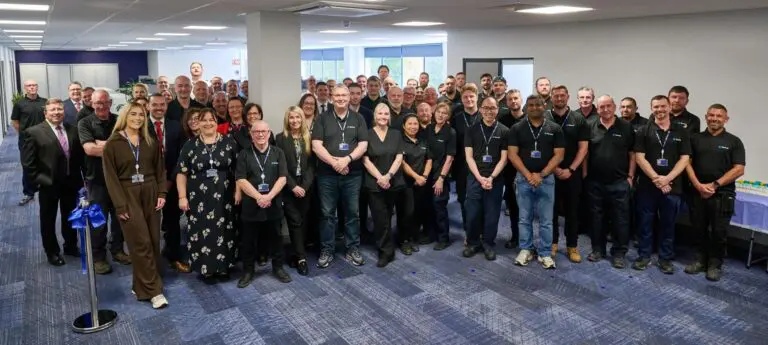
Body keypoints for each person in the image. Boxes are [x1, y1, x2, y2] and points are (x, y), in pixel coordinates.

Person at [102, 101, 168, 309]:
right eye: (133, 114)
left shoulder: (149, 141)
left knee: (154, 241)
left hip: (150, 191)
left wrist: (162, 192)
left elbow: (160, 169)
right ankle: (154, 291)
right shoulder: (112, 144)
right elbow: (111, 179)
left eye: (141, 115)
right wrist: (120, 206)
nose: (138, 118)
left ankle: (140, 285)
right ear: (125, 116)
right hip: (127, 193)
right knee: (141, 243)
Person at [684, 104, 745, 281]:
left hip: (722, 195)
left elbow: (739, 169)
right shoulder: (695, 139)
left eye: (719, 116)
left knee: (719, 232)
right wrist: (698, 185)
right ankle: (700, 261)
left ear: (726, 119)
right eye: (711, 115)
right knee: (698, 229)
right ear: (706, 117)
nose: (714, 119)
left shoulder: (734, 141)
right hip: (697, 192)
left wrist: (714, 185)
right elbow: (686, 163)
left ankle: (715, 265)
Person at [177, 109, 238, 283]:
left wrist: (238, 191)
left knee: (225, 230)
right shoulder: (190, 145)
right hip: (199, 198)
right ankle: (207, 269)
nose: (208, 123)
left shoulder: (229, 142)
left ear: (216, 122)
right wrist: (182, 197)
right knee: (202, 231)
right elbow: (181, 173)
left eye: (212, 120)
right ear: (198, 123)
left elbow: (238, 170)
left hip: (225, 197)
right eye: (204, 120)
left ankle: (224, 267)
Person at [311, 85, 369, 268]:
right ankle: (327, 249)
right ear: (332, 97)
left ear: (349, 97)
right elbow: (316, 145)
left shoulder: (358, 118)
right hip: (327, 175)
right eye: (337, 95)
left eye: (344, 95)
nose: (341, 98)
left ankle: (353, 248)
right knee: (327, 214)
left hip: (352, 174)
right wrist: (334, 163)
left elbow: (363, 145)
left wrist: (347, 160)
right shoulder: (322, 118)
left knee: (352, 213)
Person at [22, 98, 84, 267]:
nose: (56, 112)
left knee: (70, 216)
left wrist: (82, 179)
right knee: (48, 219)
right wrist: (38, 182)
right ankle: (52, 252)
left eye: (59, 109)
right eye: (53, 110)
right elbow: (28, 163)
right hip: (48, 184)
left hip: (70, 182)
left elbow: (79, 158)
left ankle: (70, 245)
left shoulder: (73, 130)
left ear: (64, 111)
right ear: (45, 113)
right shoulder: (33, 132)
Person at [633, 95, 691, 274]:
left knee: (668, 224)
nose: (660, 110)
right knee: (645, 223)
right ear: (652, 109)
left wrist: (667, 179)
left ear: (669, 107)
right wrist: (657, 179)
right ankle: (644, 256)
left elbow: (685, 159)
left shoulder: (681, 132)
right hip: (648, 186)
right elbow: (639, 157)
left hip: (672, 186)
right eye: (656, 107)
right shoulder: (643, 130)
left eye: (663, 106)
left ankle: (665, 259)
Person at [508, 95, 565, 269]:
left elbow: (559, 155)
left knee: (546, 220)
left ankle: (545, 253)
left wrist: (541, 175)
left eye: (538, 105)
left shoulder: (554, 128)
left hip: (546, 180)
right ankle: (526, 249)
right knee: (524, 218)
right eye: (531, 105)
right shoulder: (517, 128)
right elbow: (512, 154)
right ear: (526, 107)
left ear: (544, 106)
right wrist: (528, 175)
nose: (534, 107)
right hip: (523, 179)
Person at [79, 90, 131, 273]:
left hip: (120, 179)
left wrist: (102, 144)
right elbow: (90, 150)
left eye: (104, 102)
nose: (101, 106)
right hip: (97, 180)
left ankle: (117, 250)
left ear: (110, 103)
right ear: (92, 104)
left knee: (120, 218)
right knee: (98, 221)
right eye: (97, 103)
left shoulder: (119, 120)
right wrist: (115, 147)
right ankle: (98, 257)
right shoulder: (84, 123)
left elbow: (129, 147)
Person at [236, 120, 292, 287]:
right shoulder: (244, 154)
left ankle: (278, 268)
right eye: (256, 132)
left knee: (276, 238)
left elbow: (283, 178)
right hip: (251, 205)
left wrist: (269, 197)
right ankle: (248, 271)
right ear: (251, 135)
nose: (260, 134)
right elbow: (241, 180)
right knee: (248, 241)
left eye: (263, 131)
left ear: (269, 133)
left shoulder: (278, 152)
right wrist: (259, 197)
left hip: (273, 204)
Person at [585, 95, 635, 266]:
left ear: (614, 107)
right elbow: (585, 153)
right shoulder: (590, 125)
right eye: (601, 107)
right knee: (596, 219)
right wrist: (585, 175)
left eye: (608, 106)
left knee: (621, 219)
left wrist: (630, 176)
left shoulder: (626, 127)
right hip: (595, 182)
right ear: (597, 108)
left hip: (619, 182)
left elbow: (632, 154)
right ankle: (598, 250)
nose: (605, 109)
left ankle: (619, 253)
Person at [463, 97, 510, 261]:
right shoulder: (471, 130)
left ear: (497, 109)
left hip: (495, 180)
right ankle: (473, 243)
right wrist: (480, 178)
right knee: (473, 213)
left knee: (492, 214)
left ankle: (489, 244)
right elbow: (469, 157)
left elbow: (504, 159)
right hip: (475, 178)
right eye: (486, 108)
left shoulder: (504, 131)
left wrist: (490, 178)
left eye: (493, 108)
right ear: (481, 109)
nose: (489, 111)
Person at [147, 93, 189, 273]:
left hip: (171, 182)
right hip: (147, 183)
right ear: (148, 106)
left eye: (162, 105)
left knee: (172, 222)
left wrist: (170, 180)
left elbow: (181, 156)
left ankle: (174, 257)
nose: (159, 108)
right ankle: (150, 261)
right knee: (148, 223)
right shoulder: (141, 126)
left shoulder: (175, 126)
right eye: (155, 105)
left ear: (166, 106)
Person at [546, 86, 589, 262]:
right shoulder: (544, 117)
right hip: (550, 172)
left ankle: (572, 246)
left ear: (568, 97)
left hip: (572, 173)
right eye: (556, 95)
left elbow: (583, 148)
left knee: (572, 212)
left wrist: (570, 169)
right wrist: (554, 168)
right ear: (551, 97)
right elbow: (541, 146)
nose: (559, 98)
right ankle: (553, 243)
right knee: (551, 211)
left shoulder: (578, 119)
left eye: (562, 95)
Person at [363, 104, 407, 267]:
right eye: (380, 113)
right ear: (375, 116)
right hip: (374, 182)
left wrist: (388, 176)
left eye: (386, 114)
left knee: (388, 216)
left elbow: (399, 158)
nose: (383, 116)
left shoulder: (396, 134)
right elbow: (365, 159)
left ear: (389, 116)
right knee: (379, 218)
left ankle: (388, 245)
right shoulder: (367, 134)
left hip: (393, 181)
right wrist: (380, 178)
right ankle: (385, 251)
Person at [276, 106, 315, 276]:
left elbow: (312, 165)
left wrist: (304, 186)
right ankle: (301, 258)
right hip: (288, 186)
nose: (295, 121)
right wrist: (293, 186)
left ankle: (296, 252)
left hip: (306, 187)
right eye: (291, 117)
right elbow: (281, 166)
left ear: (302, 119)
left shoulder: (309, 138)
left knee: (303, 221)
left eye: (298, 117)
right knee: (295, 220)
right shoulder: (280, 139)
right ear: (287, 120)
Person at [424, 102, 456, 250]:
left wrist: (441, 179)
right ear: (434, 112)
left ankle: (444, 238)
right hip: (427, 172)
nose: (441, 115)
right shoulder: (429, 129)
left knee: (439, 206)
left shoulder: (450, 132)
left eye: (444, 113)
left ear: (448, 116)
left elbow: (450, 158)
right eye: (438, 112)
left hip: (441, 174)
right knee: (429, 205)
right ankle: (432, 234)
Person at [12, 80, 46, 206]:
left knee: (45, 163)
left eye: (34, 85)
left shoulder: (44, 102)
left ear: (37, 87)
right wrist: (23, 133)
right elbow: (15, 121)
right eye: (29, 85)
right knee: (27, 166)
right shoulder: (19, 104)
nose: (32, 87)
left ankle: (44, 187)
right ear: (25, 88)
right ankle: (29, 193)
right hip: (26, 140)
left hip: (43, 138)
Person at [400, 114, 431, 251]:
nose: (413, 126)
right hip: (406, 183)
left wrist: (424, 176)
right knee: (407, 212)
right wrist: (416, 177)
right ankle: (404, 240)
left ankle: (413, 237)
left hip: (422, 182)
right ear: (404, 126)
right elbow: (402, 163)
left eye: (415, 124)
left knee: (418, 211)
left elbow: (429, 160)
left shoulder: (423, 141)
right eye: (410, 124)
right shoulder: (400, 141)